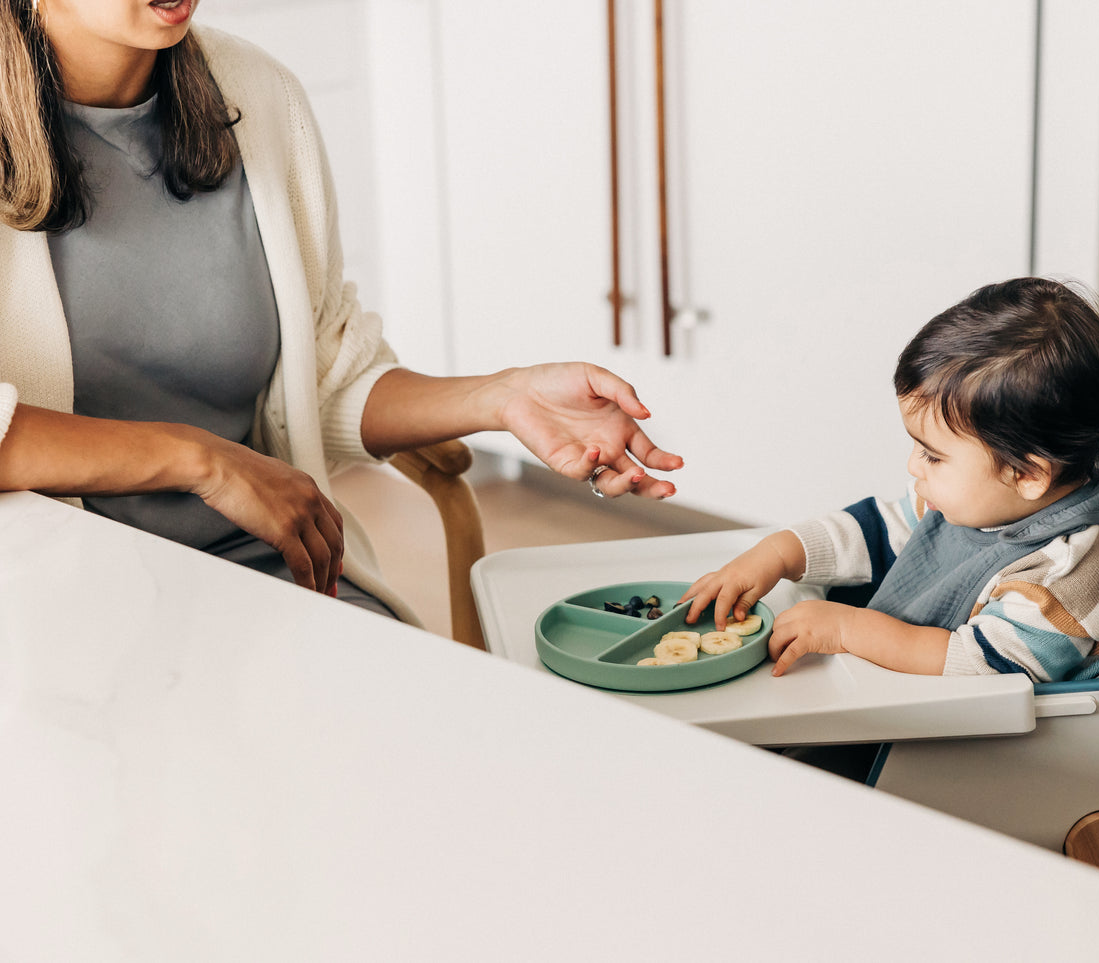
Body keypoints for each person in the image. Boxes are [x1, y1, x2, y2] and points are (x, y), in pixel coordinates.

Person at [0, 0, 680, 624]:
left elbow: (317, 379)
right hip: (54, 602)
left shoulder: (261, 97)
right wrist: (198, 458)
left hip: (273, 569)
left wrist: (501, 396)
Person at [681, 276, 1099, 683]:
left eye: (933, 456)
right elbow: (878, 532)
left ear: (1025, 474)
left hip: (978, 750)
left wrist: (847, 629)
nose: (913, 466)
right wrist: (776, 554)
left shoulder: (1074, 568)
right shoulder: (980, 503)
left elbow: (987, 666)